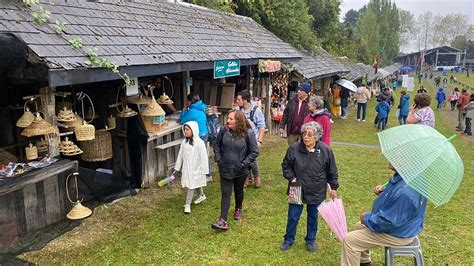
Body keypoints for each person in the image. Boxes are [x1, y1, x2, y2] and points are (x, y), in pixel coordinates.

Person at [341, 163, 427, 266]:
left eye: (396, 157)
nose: (390, 159)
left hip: (398, 233)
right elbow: (395, 198)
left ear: (406, 163)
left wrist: (366, 218)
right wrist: (384, 189)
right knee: (359, 226)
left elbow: (387, 222)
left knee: (350, 240)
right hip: (404, 226)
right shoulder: (409, 177)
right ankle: (365, 262)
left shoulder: (405, 192)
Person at [280, 121, 339, 252]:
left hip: (317, 188)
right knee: (293, 216)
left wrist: (333, 187)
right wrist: (292, 178)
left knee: (313, 216)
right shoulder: (294, 148)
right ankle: (288, 239)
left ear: (317, 137)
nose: (306, 137)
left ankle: (311, 239)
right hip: (297, 187)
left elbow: (332, 171)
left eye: (310, 134)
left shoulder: (325, 150)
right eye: (304, 134)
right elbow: (286, 166)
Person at [212, 110, 259, 230]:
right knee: (226, 194)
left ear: (239, 121)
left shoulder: (248, 133)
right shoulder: (224, 130)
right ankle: (223, 220)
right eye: (228, 118)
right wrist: (219, 159)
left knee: (238, 191)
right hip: (225, 168)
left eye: (231, 119)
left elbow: (254, 152)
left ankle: (238, 208)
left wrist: (243, 164)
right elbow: (216, 145)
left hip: (240, 170)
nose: (228, 121)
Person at [174, 121, 208, 214]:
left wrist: (205, 170)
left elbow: (204, 157)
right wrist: (177, 169)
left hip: (197, 168)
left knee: (191, 186)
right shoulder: (184, 142)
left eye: (187, 129)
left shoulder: (199, 143)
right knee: (194, 183)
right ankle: (202, 195)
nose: (185, 131)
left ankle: (187, 204)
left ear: (193, 130)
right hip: (187, 168)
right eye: (184, 129)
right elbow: (180, 156)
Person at [236, 90, 265, 188]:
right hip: (241, 139)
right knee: (243, 159)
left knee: (252, 160)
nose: (237, 101)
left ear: (245, 100)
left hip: (253, 139)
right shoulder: (239, 110)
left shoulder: (256, 110)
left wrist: (259, 141)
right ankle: (248, 179)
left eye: (239, 99)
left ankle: (257, 177)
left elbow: (262, 126)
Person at [180, 93, 212, 180]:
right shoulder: (202, 107)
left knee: (198, 155)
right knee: (203, 154)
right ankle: (208, 174)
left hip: (198, 135)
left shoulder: (192, 111)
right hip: (205, 133)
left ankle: (206, 175)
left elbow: (182, 121)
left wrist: (184, 109)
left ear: (190, 101)